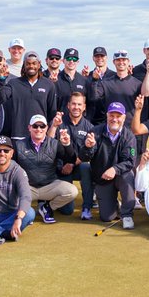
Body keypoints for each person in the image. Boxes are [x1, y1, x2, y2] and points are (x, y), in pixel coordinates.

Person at [14, 113, 80, 224]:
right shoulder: (18, 145)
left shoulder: (54, 144)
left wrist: (67, 145)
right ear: (29, 128)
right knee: (9, 195)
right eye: (35, 126)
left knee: (71, 191)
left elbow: (71, 159)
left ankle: (47, 207)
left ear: (47, 128)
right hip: (27, 187)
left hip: (49, 185)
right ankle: (26, 211)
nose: (38, 129)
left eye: (42, 126)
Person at [81, 103, 138, 228]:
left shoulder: (129, 136)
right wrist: (88, 147)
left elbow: (130, 161)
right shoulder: (94, 132)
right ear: (107, 116)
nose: (115, 119)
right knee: (107, 217)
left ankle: (127, 215)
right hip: (102, 178)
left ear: (123, 118)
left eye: (118, 116)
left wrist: (114, 169)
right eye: (112, 115)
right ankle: (114, 205)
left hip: (120, 176)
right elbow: (84, 157)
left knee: (128, 174)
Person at [52, 91, 97, 220]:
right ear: (68, 105)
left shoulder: (89, 127)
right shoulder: (59, 123)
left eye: (79, 104)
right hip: (61, 168)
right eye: (73, 104)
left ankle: (87, 207)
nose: (76, 107)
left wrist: (72, 163)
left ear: (84, 107)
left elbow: (88, 154)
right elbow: (48, 143)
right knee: (67, 211)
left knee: (86, 167)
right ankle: (49, 200)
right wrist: (54, 126)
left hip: (77, 166)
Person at [0, 51, 59, 141]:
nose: (31, 66)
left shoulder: (49, 84)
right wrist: (1, 79)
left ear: (39, 64)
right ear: (24, 65)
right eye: (28, 63)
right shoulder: (14, 83)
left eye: (34, 63)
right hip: (18, 136)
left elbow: (51, 113)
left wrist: (48, 135)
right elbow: (0, 99)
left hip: (40, 136)